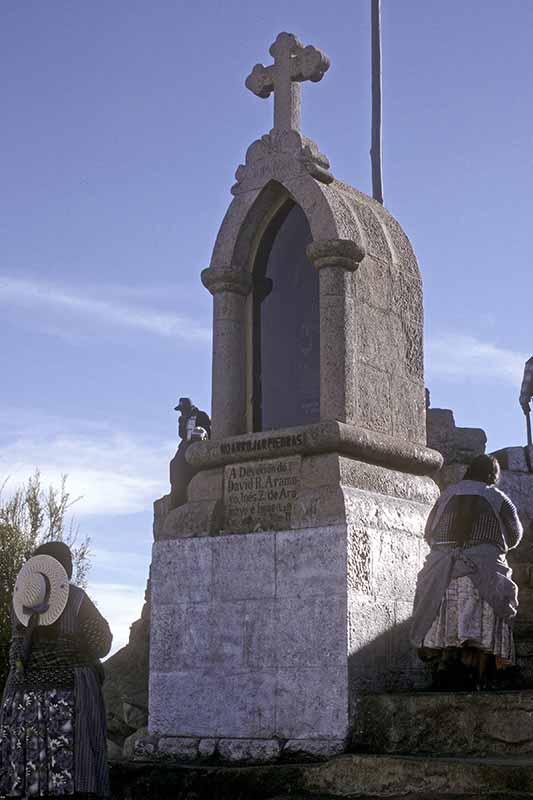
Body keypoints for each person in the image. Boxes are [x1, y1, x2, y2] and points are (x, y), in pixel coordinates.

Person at [0, 541, 112, 798]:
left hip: (21, 701)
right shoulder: (76, 599)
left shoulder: (20, 603)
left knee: (27, 771)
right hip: (66, 700)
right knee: (73, 771)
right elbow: (102, 643)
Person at [411, 454, 523, 690]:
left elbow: (428, 532)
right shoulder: (498, 497)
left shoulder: (445, 496)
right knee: (483, 625)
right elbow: (515, 535)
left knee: (445, 618)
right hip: (483, 569)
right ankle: (480, 676)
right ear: (493, 474)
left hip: (443, 569)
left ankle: (444, 667)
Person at [169, 397, 211, 510]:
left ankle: (181, 498)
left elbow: (207, 432)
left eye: (183, 409)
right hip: (185, 446)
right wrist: (182, 422)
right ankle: (177, 499)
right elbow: (183, 435)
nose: (181, 412)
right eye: (180, 410)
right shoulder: (183, 419)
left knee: (184, 467)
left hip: (197, 446)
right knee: (174, 465)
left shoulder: (201, 415)